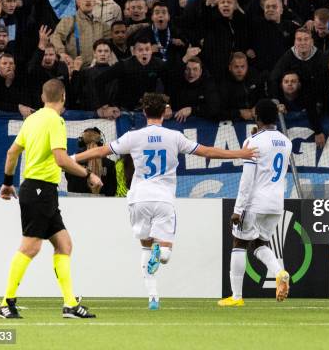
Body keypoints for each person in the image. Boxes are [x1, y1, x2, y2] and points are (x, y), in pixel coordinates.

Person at [72, 92, 257, 310]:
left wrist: (73, 158)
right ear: (164, 112)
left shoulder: (133, 136)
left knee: (145, 248)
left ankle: (153, 298)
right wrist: (239, 153)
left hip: (138, 198)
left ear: (143, 112)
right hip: (163, 199)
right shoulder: (174, 137)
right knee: (165, 254)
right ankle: (161, 253)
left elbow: (103, 150)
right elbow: (207, 151)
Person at [0, 79, 102, 319]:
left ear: (43, 97)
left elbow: (12, 151)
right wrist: (89, 174)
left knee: (64, 244)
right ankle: (5, 302)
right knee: (30, 247)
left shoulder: (32, 119)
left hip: (39, 190)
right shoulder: (56, 121)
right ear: (63, 96)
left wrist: (7, 182)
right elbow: (61, 159)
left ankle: (70, 304)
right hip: (40, 190)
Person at [218, 98, 292, 307]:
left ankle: (237, 296)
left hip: (255, 202)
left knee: (239, 243)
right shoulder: (286, 141)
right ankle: (280, 272)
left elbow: (247, 178)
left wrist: (238, 209)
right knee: (260, 243)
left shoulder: (253, 142)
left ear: (256, 116)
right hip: (277, 203)